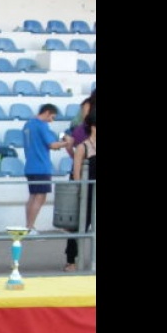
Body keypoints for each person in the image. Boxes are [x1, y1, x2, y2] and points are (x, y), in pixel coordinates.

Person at [22, 103, 68, 234]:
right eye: (52, 117)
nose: (51, 120)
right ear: (47, 112)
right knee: (40, 197)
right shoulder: (42, 125)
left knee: (32, 196)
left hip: (30, 165)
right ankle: (30, 227)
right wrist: (66, 143)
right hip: (41, 166)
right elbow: (52, 144)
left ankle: (28, 226)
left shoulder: (28, 125)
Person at [63, 115, 96, 272]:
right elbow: (76, 173)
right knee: (78, 226)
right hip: (88, 192)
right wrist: (80, 192)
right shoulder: (83, 147)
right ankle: (71, 260)